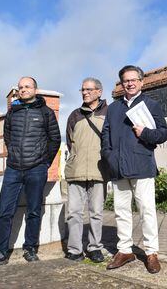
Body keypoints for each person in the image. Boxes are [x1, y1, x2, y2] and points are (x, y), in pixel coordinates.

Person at [0, 76, 61, 269]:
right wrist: (14, 154)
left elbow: (54, 139)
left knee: (33, 211)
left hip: (36, 169)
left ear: (35, 90)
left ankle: (30, 247)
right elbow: (7, 137)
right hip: (13, 169)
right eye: (20, 87)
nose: (23, 90)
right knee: (5, 211)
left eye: (27, 87)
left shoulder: (46, 112)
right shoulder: (12, 112)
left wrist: (44, 163)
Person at [101, 65, 167, 274]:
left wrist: (145, 133)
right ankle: (124, 250)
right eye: (125, 81)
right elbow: (106, 134)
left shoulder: (152, 105)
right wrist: (109, 155)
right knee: (121, 212)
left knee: (147, 211)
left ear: (141, 82)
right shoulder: (113, 108)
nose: (129, 83)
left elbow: (163, 133)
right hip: (118, 167)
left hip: (142, 165)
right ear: (121, 84)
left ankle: (151, 253)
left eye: (133, 80)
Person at [64, 77, 108, 263]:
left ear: (99, 91)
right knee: (74, 212)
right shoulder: (74, 115)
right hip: (76, 170)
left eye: (89, 89)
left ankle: (95, 248)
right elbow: (69, 141)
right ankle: (75, 249)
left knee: (96, 212)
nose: (85, 92)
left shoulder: (109, 112)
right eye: (82, 89)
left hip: (99, 170)